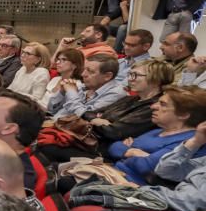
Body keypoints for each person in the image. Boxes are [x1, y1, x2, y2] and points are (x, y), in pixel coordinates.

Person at [38, 59, 174, 163]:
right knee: (43, 141)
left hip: (103, 151)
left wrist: (101, 120)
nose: (129, 79)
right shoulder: (131, 99)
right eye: (130, 74)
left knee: (46, 147)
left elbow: (114, 132)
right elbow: (95, 113)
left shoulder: (153, 106)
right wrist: (99, 120)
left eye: (135, 75)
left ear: (156, 80)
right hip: (90, 141)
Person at [105, 86, 206, 185]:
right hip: (111, 173)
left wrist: (127, 151)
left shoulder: (191, 140)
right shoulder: (157, 131)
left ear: (183, 114)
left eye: (163, 104)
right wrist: (133, 152)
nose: (153, 106)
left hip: (130, 186)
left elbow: (149, 166)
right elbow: (114, 147)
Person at [48, 54, 128, 119]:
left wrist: (71, 92)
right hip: (53, 125)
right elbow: (51, 110)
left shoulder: (116, 93)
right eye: (84, 69)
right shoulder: (84, 86)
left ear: (107, 76)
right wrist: (61, 93)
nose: (83, 74)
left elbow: (85, 116)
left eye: (90, 71)